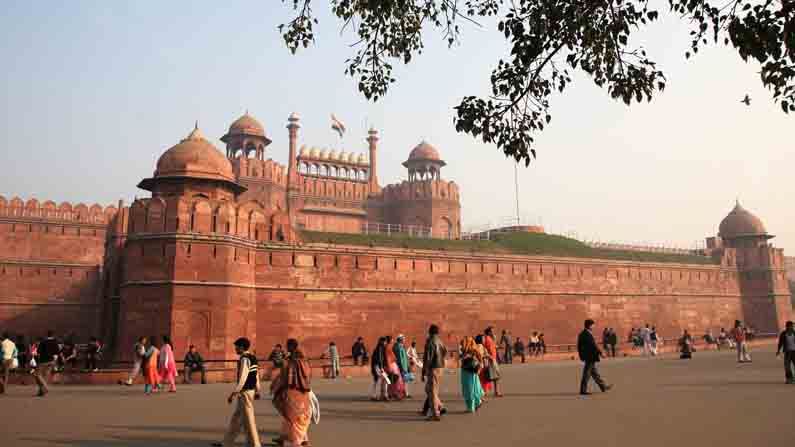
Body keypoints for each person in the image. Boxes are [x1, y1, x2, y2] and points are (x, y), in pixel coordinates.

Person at [213, 337, 262, 447]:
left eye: (237, 347)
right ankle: (226, 443)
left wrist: (234, 393)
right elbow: (256, 375)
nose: (235, 349)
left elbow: (243, 378)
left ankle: (255, 444)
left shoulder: (244, 359)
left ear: (241, 347)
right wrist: (258, 390)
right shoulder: (253, 357)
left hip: (245, 392)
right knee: (236, 419)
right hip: (249, 391)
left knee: (249, 420)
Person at [271, 338, 312, 447]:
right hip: (304, 392)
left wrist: (276, 388)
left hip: (292, 393)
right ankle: (285, 439)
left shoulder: (291, 362)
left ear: (291, 347)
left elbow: (284, 376)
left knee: (294, 418)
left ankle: (297, 443)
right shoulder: (303, 361)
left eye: (288, 346)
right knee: (295, 417)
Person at [577, 319, 612, 395]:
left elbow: (579, 346)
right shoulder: (587, 334)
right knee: (586, 374)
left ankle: (603, 386)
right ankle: (583, 390)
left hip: (588, 356)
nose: (594, 326)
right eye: (593, 325)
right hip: (590, 356)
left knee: (595, 373)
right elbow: (593, 346)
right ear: (589, 325)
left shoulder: (583, 333)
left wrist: (581, 355)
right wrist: (601, 353)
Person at [421, 324, 447, 421]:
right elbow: (445, 351)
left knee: (431, 391)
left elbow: (427, 359)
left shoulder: (430, 342)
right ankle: (440, 406)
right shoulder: (439, 341)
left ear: (430, 332)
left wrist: (424, 371)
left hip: (433, 368)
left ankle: (435, 413)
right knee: (429, 389)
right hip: (440, 367)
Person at [459, 336, 484, 413]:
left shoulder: (468, 352)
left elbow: (462, 359)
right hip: (473, 371)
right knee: (474, 387)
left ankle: (470, 407)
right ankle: (477, 402)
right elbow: (481, 361)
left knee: (468, 389)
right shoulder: (475, 350)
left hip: (467, 371)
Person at [33, 330, 60, 397]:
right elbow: (57, 352)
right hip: (51, 361)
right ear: (53, 335)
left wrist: (37, 360)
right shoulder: (55, 342)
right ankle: (41, 391)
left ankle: (45, 387)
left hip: (43, 360)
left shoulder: (43, 342)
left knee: (37, 375)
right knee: (45, 376)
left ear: (47, 335)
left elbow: (38, 352)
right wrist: (54, 361)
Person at [483, 327, 503, 397]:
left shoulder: (491, 339)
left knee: (494, 376)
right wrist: (489, 357)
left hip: (493, 359)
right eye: (492, 331)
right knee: (491, 376)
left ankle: (495, 391)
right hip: (490, 360)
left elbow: (493, 347)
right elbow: (484, 349)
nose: (493, 332)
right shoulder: (486, 339)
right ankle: (488, 392)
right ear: (488, 332)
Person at [385, 336, 406, 400]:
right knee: (395, 380)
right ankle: (394, 394)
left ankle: (393, 393)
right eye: (392, 339)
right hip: (391, 365)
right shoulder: (388, 347)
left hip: (393, 365)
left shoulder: (389, 346)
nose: (393, 340)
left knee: (393, 380)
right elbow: (388, 358)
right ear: (390, 340)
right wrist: (389, 366)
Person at [370, 337, 388, 401]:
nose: (386, 343)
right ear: (382, 342)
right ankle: (382, 395)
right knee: (383, 380)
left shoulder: (381, 348)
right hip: (377, 366)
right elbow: (380, 359)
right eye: (385, 341)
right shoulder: (379, 348)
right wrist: (381, 367)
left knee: (377, 381)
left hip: (377, 366)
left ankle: (378, 395)